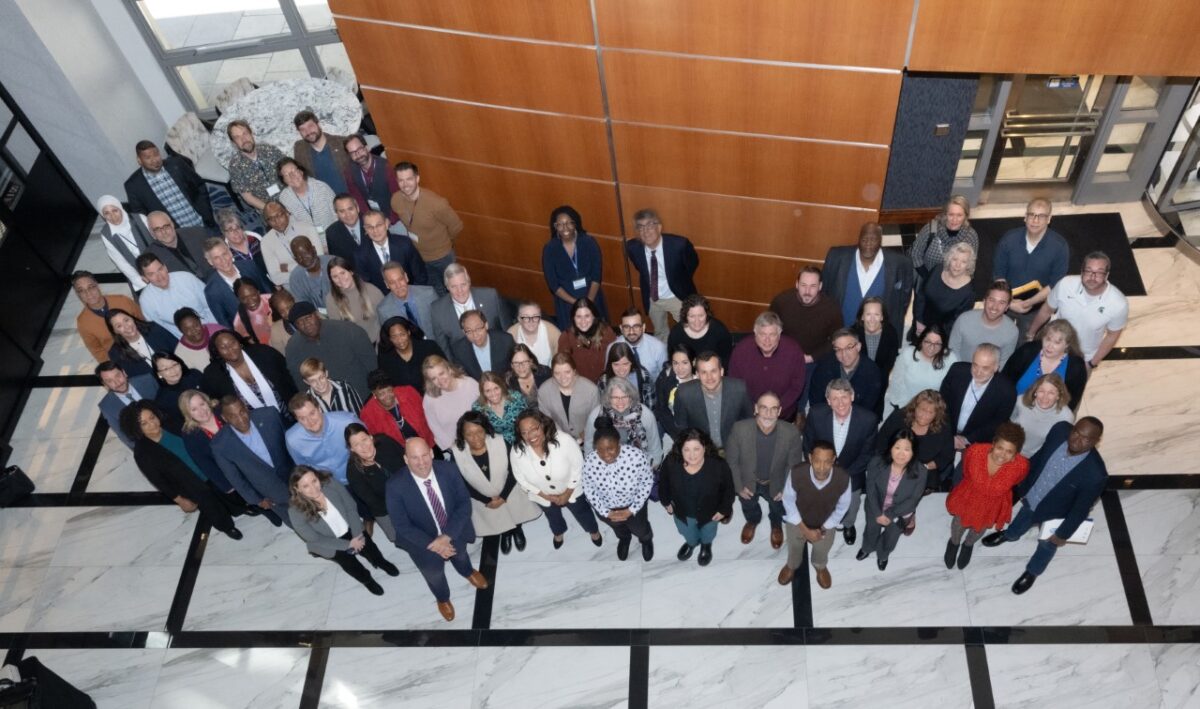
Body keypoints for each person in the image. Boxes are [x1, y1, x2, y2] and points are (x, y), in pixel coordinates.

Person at [981, 418, 1107, 594]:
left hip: (1056, 513)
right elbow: (1039, 457)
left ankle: (1033, 571)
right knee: (1023, 515)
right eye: (1076, 432)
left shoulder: (1095, 474)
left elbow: (1081, 509)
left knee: (1046, 545)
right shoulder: (1059, 430)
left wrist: (1062, 534)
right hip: (1033, 494)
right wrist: (1021, 480)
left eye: (1086, 438)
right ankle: (1011, 534)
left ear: (1095, 441)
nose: (1077, 439)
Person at [385, 438, 488, 619]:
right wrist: (435, 544)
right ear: (406, 459)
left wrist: (447, 536)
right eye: (414, 458)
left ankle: (467, 572)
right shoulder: (395, 486)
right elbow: (402, 526)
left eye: (425, 455)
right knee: (434, 574)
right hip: (422, 541)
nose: (421, 462)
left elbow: (464, 504)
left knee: (461, 555)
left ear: (432, 453)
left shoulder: (449, 470)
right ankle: (442, 598)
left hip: (453, 530)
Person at [121, 400, 242, 538]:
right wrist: (179, 499)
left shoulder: (172, 424)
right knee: (212, 507)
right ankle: (227, 527)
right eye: (144, 424)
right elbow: (159, 480)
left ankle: (239, 509)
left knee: (227, 491)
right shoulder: (142, 453)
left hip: (207, 467)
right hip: (191, 484)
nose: (152, 424)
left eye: (152, 417)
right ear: (136, 429)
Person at [289, 465, 399, 596]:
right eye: (305, 486)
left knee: (370, 548)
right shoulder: (295, 511)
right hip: (330, 542)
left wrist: (357, 534)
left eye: (314, 481)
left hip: (351, 527)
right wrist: (348, 545)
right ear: (297, 489)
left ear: (318, 477)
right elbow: (314, 538)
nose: (313, 488)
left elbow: (350, 507)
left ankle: (380, 562)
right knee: (350, 565)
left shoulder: (331, 484)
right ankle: (367, 580)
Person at [450, 411, 541, 554]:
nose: (475, 438)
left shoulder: (500, 441)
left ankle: (517, 529)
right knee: (498, 518)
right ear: (462, 435)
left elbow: (514, 469)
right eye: (469, 434)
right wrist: (486, 500)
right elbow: (461, 483)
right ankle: (505, 532)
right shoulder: (457, 452)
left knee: (514, 511)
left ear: (485, 429)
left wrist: (503, 496)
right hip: (482, 498)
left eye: (479, 431)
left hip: (509, 490)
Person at [510, 409, 602, 549]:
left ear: (542, 424)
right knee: (552, 516)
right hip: (542, 495)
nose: (530, 435)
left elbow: (578, 467)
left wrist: (568, 492)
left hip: (572, 489)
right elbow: (520, 477)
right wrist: (543, 495)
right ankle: (558, 533)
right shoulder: (517, 450)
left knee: (582, 512)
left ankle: (593, 531)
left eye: (534, 429)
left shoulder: (564, 440)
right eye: (524, 432)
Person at [803, 379, 878, 545]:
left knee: (852, 505)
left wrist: (842, 475)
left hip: (852, 472)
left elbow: (867, 454)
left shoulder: (868, 420)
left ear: (852, 396)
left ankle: (848, 525)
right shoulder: (816, 414)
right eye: (834, 398)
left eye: (844, 397)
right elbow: (808, 444)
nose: (840, 403)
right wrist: (819, 471)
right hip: (821, 470)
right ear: (828, 401)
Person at [944, 422, 1029, 570]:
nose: (1002, 455)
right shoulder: (975, 452)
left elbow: (1017, 480)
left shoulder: (1021, 466)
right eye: (1000, 448)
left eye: (1009, 452)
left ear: (1016, 454)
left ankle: (968, 545)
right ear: (993, 443)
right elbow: (965, 471)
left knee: (979, 529)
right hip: (969, 495)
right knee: (958, 523)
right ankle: (954, 543)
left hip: (992, 503)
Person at [725, 392, 804, 549]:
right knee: (748, 504)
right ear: (756, 409)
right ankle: (752, 520)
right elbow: (732, 461)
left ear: (779, 411)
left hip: (776, 482)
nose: (768, 414)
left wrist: (785, 489)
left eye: (773, 409)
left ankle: (776, 525)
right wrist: (739, 487)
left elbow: (793, 465)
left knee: (777, 507)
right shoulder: (739, 429)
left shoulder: (791, 433)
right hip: (748, 480)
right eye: (764, 408)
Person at [1028, 251, 1128, 370]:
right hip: (1051, 349)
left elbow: (1112, 336)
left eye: (1099, 272)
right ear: (1081, 272)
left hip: (1082, 358)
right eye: (1088, 271)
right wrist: (1031, 334)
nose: (1092, 276)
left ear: (1106, 275)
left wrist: (1091, 363)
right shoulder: (1065, 284)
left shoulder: (1118, 303)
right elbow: (1046, 309)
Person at [778, 439, 851, 589]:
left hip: (826, 522)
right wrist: (805, 530)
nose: (822, 468)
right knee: (794, 546)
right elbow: (788, 501)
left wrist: (823, 528)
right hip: (798, 519)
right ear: (810, 458)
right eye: (817, 461)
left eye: (827, 462)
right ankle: (792, 565)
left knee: (822, 549)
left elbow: (842, 508)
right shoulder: (797, 472)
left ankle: (820, 566)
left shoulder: (843, 478)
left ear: (833, 460)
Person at [211, 396, 294, 528]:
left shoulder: (269, 415)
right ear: (225, 418)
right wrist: (257, 500)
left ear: (246, 408)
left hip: (297, 478)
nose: (240, 419)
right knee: (299, 526)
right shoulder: (220, 445)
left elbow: (291, 443)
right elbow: (235, 478)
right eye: (233, 416)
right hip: (273, 495)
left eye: (242, 412)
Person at [993, 198, 1069, 338]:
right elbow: (999, 275)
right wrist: (1009, 302)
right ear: (1025, 216)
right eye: (1031, 214)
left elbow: (1055, 285)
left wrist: (1029, 302)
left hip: (1037, 309)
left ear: (1049, 219)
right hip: (1006, 302)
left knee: (1025, 340)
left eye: (1041, 216)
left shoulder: (1059, 247)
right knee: (998, 337)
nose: (1035, 220)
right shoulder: (1009, 239)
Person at [822, 221, 914, 336]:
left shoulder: (901, 263)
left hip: (877, 335)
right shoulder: (836, 257)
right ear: (858, 239)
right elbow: (824, 292)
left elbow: (903, 302)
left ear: (880, 241)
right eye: (864, 240)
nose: (868, 244)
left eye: (873, 240)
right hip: (840, 332)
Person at [657, 428, 734, 565]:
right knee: (687, 532)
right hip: (682, 511)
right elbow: (663, 483)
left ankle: (706, 545)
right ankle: (691, 543)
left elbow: (728, 489)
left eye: (696, 449)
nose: (692, 455)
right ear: (680, 449)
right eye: (686, 449)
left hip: (710, 511)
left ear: (704, 447)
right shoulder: (671, 462)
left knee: (708, 531)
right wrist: (666, 502)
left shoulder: (718, 465)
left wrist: (724, 510)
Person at [582, 421, 656, 561]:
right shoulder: (590, 461)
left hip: (633, 506)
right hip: (607, 508)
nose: (606, 455)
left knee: (640, 528)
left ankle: (646, 540)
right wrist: (606, 512)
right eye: (600, 450)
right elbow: (588, 488)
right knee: (618, 528)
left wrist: (632, 509)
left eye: (611, 448)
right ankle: (624, 539)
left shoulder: (636, 456)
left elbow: (646, 482)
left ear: (619, 443)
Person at [855, 429, 927, 570]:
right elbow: (870, 489)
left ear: (913, 452)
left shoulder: (921, 472)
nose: (901, 453)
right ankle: (867, 548)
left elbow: (913, 500)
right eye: (897, 447)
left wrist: (889, 514)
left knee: (891, 537)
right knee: (871, 529)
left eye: (907, 449)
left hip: (900, 511)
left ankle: (883, 555)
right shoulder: (876, 462)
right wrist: (877, 513)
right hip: (875, 505)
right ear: (890, 448)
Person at [624, 208, 700, 341]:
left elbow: (692, 264)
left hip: (676, 296)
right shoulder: (632, 248)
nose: (645, 231)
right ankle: (663, 357)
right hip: (653, 299)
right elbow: (640, 268)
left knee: (689, 330)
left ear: (659, 227)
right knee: (660, 332)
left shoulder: (679, 245)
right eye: (641, 228)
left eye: (650, 226)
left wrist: (679, 281)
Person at [391, 161, 463, 294]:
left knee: (454, 289)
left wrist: (445, 244)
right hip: (419, 256)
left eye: (409, 179)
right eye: (401, 180)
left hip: (442, 256)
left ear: (417, 179)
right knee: (434, 291)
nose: (405, 184)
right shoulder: (395, 200)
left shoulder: (436, 203)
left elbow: (456, 226)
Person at [285, 301, 378, 400]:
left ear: (317, 315)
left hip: (363, 396)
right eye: (300, 322)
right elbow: (300, 381)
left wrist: (377, 389)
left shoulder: (347, 330)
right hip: (328, 404)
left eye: (308, 317)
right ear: (296, 327)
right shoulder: (293, 347)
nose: (306, 324)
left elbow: (371, 363)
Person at [728, 311, 806, 421]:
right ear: (755, 333)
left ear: (779, 334)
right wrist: (754, 408)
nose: (767, 340)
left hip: (782, 413)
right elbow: (735, 385)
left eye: (772, 334)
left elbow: (796, 387)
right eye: (762, 334)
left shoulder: (794, 351)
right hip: (750, 413)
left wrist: (775, 409)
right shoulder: (741, 350)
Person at [177, 389, 246, 512]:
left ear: (207, 401)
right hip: (231, 475)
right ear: (188, 414)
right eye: (194, 409)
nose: (201, 411)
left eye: (202, 404)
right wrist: (227, 486)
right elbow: (205, 464)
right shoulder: (190, 435)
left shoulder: (223, 410)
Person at [941, 344, 1018, 451]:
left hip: (977, 442)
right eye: (975, 365)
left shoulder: (1007, 391)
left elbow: (997, 423)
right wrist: (949, 435)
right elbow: (942, 403)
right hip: (945, 431)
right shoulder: (957, 371)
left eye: (985, 368)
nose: (978, 372)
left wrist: (967, 439)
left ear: (996, 367)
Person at [200, 329, 296, 416]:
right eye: (223, 347)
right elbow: (213, 402)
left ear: (239, 342)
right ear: (218, 352)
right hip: (258, 427)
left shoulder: (263, 353)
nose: (230, 348)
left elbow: (289, 375)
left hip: (291, 413)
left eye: (232, 343)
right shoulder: (214, 375)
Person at [878, 390, 956, 494]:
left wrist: (923, 468)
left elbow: (946, 455)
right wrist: (893, 467)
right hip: (893, 466)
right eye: (922, 409)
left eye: (930, 412)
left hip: (924, 471)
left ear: (937, 414)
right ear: (915, 407)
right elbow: (881, 443)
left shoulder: (944, 427)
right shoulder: (899, 417)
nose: (924, 415)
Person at [123, 140, 214, 228]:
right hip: (179, 235)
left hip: (202, 222)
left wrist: (206, 214)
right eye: (148, 157)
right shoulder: (133, 186)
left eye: (156, 154)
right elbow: (142, 217)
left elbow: (199, 186)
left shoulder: (177, 164)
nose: (155, 160)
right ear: (139, 160)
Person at [672, 351, 752, 450]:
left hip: (734, 448)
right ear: (697, 374)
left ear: (721, 371)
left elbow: (749, 422)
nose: (709, 377)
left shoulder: (739, 389)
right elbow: (681, 429)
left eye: (713, 371)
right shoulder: (684, 393)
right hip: (700, 451)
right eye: (704, 372)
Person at [543, 205, 606, 327]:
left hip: (592, 297)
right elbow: (553, 285)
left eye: (568, 223)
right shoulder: (550, 249)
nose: (565, 228)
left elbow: (596, 277)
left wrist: (588, 302)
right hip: (566, 303)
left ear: (575, 223)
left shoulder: (589, 242)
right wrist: (576, 304)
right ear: (555, 227)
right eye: (560, 224)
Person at [1002, 319, 1088, 408]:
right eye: (1048, 339)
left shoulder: (1076, 367)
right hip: (1013, 407)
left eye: (1057, 342)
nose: (1049, 346)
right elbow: (1004, 381)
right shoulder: (1027, 351)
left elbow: (1071, 402)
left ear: (1067, 345)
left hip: (1049, 416)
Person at [429, 263, 509, 355]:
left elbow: (506, 329)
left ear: (469, 282)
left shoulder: (490, 297)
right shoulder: (437, 310)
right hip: (463, 364)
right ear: (447, 287)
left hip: (496, 353)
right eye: (454, 287)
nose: (460, 291)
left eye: (463, 285)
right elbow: (443, 348)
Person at [344, 422, 405, 542]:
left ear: (371, 437)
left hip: (408, 490)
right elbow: (374, 503)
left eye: (364, 439)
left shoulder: (385, 442)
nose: (364, 446)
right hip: (385, 508)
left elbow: (406, 461)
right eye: (357, 444)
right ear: (352, 449)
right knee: (396, 537)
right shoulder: (353, 471)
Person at [770, 265, 843, 363]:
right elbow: (768, 328)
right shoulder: (781, 301)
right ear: (796, 284)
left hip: (815, 360)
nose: (807, 292)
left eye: (813, 286)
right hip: (782, 356)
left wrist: (812, 357)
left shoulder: (832, 308)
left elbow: (837, 338)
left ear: (820, 286)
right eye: (803, 285)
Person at [583, 377, 663, 466]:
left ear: (631, 397)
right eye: (615, 397)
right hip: (604, 464)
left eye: (625, 396)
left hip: (638, 465)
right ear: (609, 398)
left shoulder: (645, 415)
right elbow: (589, 447)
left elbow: (655, 449)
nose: (620, 402)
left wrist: (651, 468)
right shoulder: (596, 415)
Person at [285, 393, 361, 483]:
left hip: (359, 475)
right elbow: (303, 468)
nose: (310, 421)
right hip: (327, 485)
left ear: (319, 409)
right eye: (302, 418)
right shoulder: (292, 440)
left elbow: (368, 444)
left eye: (312, 413)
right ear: (297, 420)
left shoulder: (347, 421)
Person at [136, 253, 216, 337]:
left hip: (211, 327)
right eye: (152, 274)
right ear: (145, 279)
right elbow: (162, 330)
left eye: (160, 269)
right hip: (183, 340)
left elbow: (212, 305)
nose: (159, 276)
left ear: (165, 267)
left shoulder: (187, 278)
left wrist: (212, 329)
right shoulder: (146, 301)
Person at [808, 327, 883, 414]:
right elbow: (815, 401)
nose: (844, 354)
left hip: (857, 421)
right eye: (838, 349)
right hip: (827, 418)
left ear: (858, 347)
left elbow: (866, 409)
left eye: (849, 348)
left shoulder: (872, 372)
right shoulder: (824, 367)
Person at [910, 195, 979, 290]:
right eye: (951, 215)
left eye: (959, 215)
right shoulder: (930, 229)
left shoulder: (971, 236)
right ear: (945, 214)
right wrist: (929, 279)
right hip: (925, 278)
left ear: (966, 216)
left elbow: (970, 266)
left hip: (954, 285)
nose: (954, 220)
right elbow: (915, 254)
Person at [73, 270, 144, 362]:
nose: (88, 293)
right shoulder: (83, 322)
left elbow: (142, 321)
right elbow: (97, 351)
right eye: (81, 290)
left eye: (91, 287)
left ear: (97, 286)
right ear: (78, 294)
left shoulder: (122, 300)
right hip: (120, 359)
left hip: (142, 344)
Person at [884, 324, 956, 414]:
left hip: (934, 411)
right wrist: (909, 409)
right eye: (928, 342)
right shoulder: (908, 354)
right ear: (922, 340)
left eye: (937, 343)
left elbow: (951, 390)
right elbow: (897, 384)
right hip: (907, 407)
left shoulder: (950, 359)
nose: (932, 347)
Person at [911, 242, 976, 342]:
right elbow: (921, 295)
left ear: (969, 265)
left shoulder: (968, 293)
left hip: (941, 337)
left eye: (963, 262)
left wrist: (932, 335)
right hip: (920, 325)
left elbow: (956, 323)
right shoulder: (937, 269)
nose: (957, 265)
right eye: (955, 259)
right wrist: (919, 321)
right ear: (949, 259)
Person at [355, 209, 429, 292]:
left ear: (386, 224)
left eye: (379, 225)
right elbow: (368, 285)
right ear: (365, 229)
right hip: (385, 299)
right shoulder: (361, 255)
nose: (375, 231)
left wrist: (416, 294)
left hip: (411, 291)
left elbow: (420, 274)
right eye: (369, 227)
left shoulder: (404, 244)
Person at [950, 280, 1019, 368]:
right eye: (991, 300)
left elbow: (1002, 363)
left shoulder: (1012, 332)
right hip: (959, 371)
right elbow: (953, 350)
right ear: (984, 301)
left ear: (1007, 307)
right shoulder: (964, 319)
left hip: (988, 378)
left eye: (1001, 303)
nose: (995, 307)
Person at [360, 369, 436, 448]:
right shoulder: (368, 414)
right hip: (400, 454)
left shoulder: (409, 393)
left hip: (428, 443)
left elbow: (428, 414)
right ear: (374, 394)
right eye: (382, 393)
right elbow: (376, 443)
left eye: (389, 390)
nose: (388, 396)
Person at [204, 237, 270, 329]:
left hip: (270, 318)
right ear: (210, 262)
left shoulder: (250, 266)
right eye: (216, 258)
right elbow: (224, 323)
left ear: (230, 252)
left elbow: (269, 291)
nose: (223, 260)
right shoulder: (212, 291)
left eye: (224, 254)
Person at [537, 352, 600, 443]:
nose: (563, 377)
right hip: (558, 441)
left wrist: (584, 435)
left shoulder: (591, 390)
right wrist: (564, 440)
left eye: (567, 372)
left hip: (588, 440)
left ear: (574, 371)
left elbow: (596, 418)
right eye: (557, 373)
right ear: (552, 373)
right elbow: (547, 420)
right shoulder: (544, 391)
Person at [226, 120, 288, 212]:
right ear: (234, 143)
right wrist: (270, 210)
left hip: (287, 195)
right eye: (237, 137)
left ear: (251, 134)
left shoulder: (270, 150)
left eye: (245, 133)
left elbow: (287, 170)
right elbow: (247, 197)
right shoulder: (235, 166)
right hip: (265, 206)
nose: (244, 139)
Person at [421, 355, 480, 451]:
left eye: (441, 373)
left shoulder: (470, 384)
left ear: (449, 369)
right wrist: (454, 448)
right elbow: (435, 428)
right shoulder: (429, 399)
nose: (440, 380)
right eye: (434, 378)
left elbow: (486, 411)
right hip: (456, 448)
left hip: (482, 440)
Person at [261, 201, 325, 288]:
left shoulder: (307, 228)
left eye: (279, 215)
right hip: (294, 288)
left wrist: (287, 267)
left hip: (319, 280)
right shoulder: (266, 242)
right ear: (267, 222)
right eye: (271, 219)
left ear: (287, 213)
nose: (276, 221)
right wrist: (307, 270)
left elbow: (320, 260)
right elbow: (276, 278)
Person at [97, 361, 159, 449]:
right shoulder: (106, 406)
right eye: (109, 381)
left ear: (124, 373)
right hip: (148, 445)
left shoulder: (148, 380)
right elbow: (123, 436)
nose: (117, 383)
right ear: (105, 385)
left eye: (118, 376)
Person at [95, 196, 152, 292]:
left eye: (115, 210)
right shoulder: (106, 234)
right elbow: (120, 261)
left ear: (120, 208)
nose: (113, 216)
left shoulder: (140, 218)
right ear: (103, 216)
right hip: (139, 274)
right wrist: (140, 281)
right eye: (107, 213)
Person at [1011, 373, 1075, 457]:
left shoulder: (1066, 417)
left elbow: (1056, 446)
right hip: (1011, 450)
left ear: (1058, 395)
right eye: (1041, 391)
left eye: (1051, 393)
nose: (1045, 397)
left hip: (1035, 458)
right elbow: (1009, 424)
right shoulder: (1021, 402)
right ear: (1035, 392)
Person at [378, 316, 444, 395]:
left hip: (437, 394)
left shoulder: (429, 347)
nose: (399, 340)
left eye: (402, 334)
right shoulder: (385, 359)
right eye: (394, 337)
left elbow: (446, 370)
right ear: (390, 339)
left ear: (408, 332)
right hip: (408, 402)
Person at [325, 257, 385, 344]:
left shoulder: (372, 290)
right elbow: (338, 331)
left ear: (351, 272)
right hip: (353, 345)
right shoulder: (331, 299)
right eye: (335, 276)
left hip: (379, 341)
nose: (341, 279)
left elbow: (385, 320)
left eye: (343, 273)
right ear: (331, 280)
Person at [343, 134, 399, 224]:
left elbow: (398, 198)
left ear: (367, 148)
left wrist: (390, 220)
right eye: (353, 153)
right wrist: (369, 218)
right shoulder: (349, 172)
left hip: (395, 218)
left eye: (360, 149)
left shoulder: (387, 168)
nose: (358, 154)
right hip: (373, 221)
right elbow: (357, 198)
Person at [292, 110, 351, 195]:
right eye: (302, 129)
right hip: (324, 203)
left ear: (318, 124)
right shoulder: (299, 149)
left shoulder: (341, 142)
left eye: (310, 126)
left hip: (350, 199)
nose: (308, 132)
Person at [144, 210, 215, 281]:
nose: (164, 232)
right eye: (157, 229)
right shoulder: (151, 256)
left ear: (172, 224)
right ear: (152, 234)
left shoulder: (198, 234)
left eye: (166, 226)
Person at [105, 308, 177, 377]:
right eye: (119, 326)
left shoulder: (153, 329)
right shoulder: (116, 353)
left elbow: (177, 347)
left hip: (178, 371)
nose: (127, 326)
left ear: (132, 318)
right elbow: (136, 379)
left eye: (126, 320)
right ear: (115, 331)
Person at [557, 297, 615, 382]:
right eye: (578, 317)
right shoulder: (566, 337)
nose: (583, 321)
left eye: (587, 316)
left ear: (594, 317)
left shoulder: (607, 333)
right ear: (573, 318)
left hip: (606, 382)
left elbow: (616, 361)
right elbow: (562, 367)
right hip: (580, 385)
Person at [667, 293, 733, 367]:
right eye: (692, 316)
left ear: (707, 314)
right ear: (685, 316)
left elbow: (725, 360)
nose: (697, 321)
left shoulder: (719, 330)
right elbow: (673, 360)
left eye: (701, 315)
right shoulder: (676, 333)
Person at [450, 309, 516, 380]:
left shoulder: (505, 340)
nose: (475, 335)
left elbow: (514, 368)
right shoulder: (459, 350)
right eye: (469, 331)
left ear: (486, 325)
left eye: (478, 329)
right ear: (463, 332)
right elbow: (462, 377)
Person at [276, 157, 338, 231]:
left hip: (332, 234)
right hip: (308, 240)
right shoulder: (284, 199)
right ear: (284, 181)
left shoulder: (321, 187)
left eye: (294, 170)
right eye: (286, 175)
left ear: (301, 171)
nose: (292, 176)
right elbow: (291, 226)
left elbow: (336, 213)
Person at [607, 307, 667, 381]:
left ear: (643, 327)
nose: (631, 331)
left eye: (636, 326)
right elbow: (609, 376)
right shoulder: (612, 348)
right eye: (626, 327)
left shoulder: (658, 348)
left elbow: (666, 377)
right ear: (621, 328)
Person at [377, 262, 437, 333]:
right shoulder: (383, 310)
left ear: (406, 277)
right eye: (392, 282)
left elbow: (442, 323)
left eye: (400, 279)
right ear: (387, 284)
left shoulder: (429, 294)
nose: (398, 286)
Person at [851, 297, 900, 384]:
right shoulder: (853, 333)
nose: (872, 319)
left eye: (877, 314)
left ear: (882, 317)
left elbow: (889, 364)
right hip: (856, 381)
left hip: (880, 382)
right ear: (862, 316)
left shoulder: (891, 334)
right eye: (868, 314)